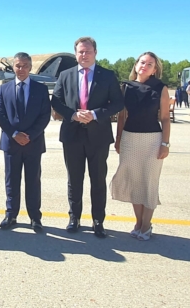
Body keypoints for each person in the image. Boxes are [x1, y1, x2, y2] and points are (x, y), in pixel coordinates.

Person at [51, 37, 124, 238]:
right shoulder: (65, 75)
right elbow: (56, 102)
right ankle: (74, 217)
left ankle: (98, 220)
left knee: (98, 179)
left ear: (95, 53)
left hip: (98, 136)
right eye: (81, 52)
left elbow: (117, 103)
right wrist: (73, 114)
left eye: (88, 51)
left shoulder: (107, 76)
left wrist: (95, 114)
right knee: (74, 179)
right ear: (76, 54)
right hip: (72, 135)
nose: (84, 55)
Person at [110, 52, 170, 241]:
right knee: (135, 182)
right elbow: (122, 116)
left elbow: (166, 118)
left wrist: (165, 143)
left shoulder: (160, 88)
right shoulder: (125, 87)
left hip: (152, 139)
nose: (145, 66)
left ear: (154, 70)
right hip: (129, 139)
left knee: (149, 182)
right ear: (136, 65)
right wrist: (118, 139)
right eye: (142, 62)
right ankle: (138, 222)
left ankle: (146, 225)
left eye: (150, 64)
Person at [0, 53, 51, 232]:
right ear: (13, 67)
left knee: (33, 181)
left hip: (32, 143)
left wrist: (30, 135)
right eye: (18, 66)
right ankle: (11, 214)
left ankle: (35, 217)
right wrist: (14, 134)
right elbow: (0, 114)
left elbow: (44, 116)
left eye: (25, 65)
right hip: (11, 143)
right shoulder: (4, 89)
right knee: (11, 180)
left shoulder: (40, 89)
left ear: (30, 67)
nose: (21, 69)